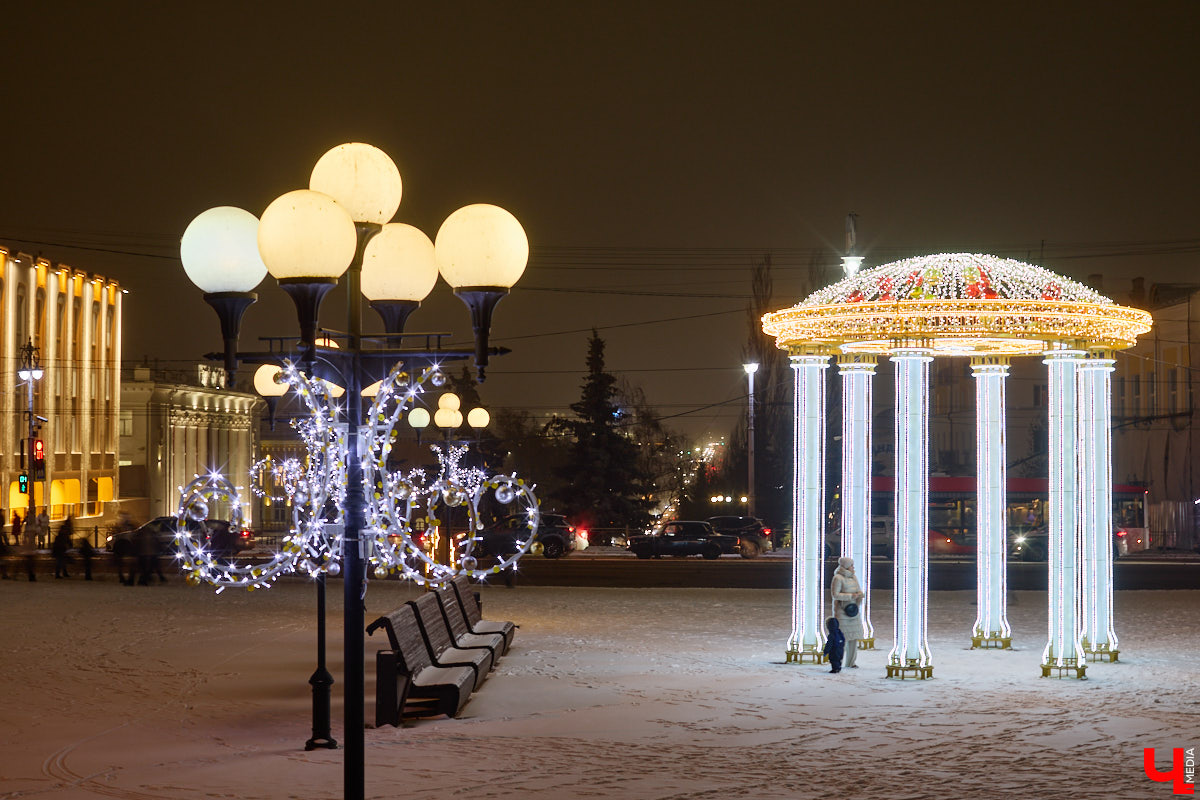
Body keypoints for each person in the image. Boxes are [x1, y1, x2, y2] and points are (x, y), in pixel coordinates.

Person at [831, 556, 865, 668]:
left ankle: (851, 662)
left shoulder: (853, 577)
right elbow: (835, 595)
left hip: (853, 611)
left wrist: (859, 595)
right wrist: (851, 596)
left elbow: (858, 589)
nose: (853, 567)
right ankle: (837, 662)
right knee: (842, 638)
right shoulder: (838, 578)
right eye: (851, 565)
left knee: (853, 638)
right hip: (842, 612)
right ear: (845, 566)